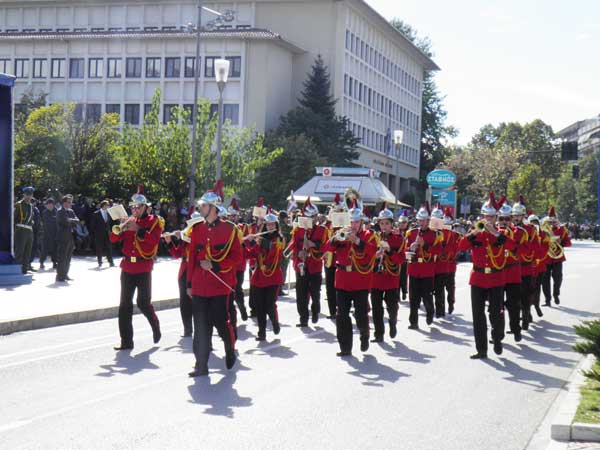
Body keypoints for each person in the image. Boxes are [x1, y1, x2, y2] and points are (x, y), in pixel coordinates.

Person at [186, 183, 243, 377]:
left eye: (203, 206)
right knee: (200, 326)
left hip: (219, 285)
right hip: (200, 286)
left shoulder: (230, 229)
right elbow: (192, 257)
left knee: (220, 322)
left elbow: (237, 258)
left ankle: (229, 347)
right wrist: (188, 284)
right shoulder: (196, 229)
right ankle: (201, 365)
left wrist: (216, 266)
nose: (199, 208)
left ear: (213, 208)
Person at [458, 192, 515, 359]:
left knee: (496, 313)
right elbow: (460, 246)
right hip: (478, 277)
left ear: (496, 218)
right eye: (486, 216)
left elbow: (513, 247)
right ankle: (481, 349)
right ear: (482, 216)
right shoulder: (475, 232)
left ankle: (497, 339)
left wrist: (496, 234)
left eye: (491, 217)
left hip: (496, 278)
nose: (488, 219)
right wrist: (474, 233)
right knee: (478, 315)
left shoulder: (502, 233)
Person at [110, 186, 164, 351]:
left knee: (143, 302)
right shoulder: (129, 221)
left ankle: (155, 325)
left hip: (143, 266)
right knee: (124, 304)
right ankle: (126, 341)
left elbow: (154, 241)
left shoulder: (154, 221)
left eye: (137, 207)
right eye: (132, 207)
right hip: (127, 266)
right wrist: (121, 227)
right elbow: (113, 239)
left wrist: (138, 230)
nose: (134, 209)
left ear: (145, 207)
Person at [323, 202, 377, 357]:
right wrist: (336, 239)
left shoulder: (369, 236)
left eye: (356, 222)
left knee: (360, 314)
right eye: (351, 222)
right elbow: (327, 248)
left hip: (360, 280)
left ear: (361, 223)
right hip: (342, 280)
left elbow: (372, 251)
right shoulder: (340, 233)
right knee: (342, 315)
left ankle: (364, 332)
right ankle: (345, 347)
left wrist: (357, 241)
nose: (353, 225)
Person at [244, 207, 284, 341]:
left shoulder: (279, 239)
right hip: (259, 277)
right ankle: (261, 332)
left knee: (270, 304)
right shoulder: (260, 240)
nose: (270, 226)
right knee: (259, 306)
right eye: (268, 224)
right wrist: (246, 242)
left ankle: (274, 321)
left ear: (276, 225)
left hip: (273, 276)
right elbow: (251, 254)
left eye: (272, 224)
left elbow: (274, 254)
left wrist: (262, 242)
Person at [164, 212, 203, 337]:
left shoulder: (203, 235)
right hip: (185, 271)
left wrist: (183, 236)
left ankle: (201, 330)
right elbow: (177, 254)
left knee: (198, 302)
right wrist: (169, 241)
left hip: (198, 271)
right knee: (184, 301)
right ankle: (187, 328)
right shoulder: (186, 236)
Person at [289, 197, 327, 327]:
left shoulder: (322, 230)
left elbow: (325, 247)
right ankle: (303, 319)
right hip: (301, 265)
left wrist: (313, 245)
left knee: (315, 293)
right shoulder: (298, 230)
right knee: (301, 294)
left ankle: (315, 312)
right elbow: (294, 245)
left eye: (312, 217)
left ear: (316, 218)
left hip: (315, 266)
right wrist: (298, 253)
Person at [405, 203, 443, 329]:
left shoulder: (435, 234)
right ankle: (413, 322)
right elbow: (405, 252)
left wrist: (425, 245)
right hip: (414, 268)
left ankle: (430, 312)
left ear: (429, 221)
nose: (422, 223)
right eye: (420, 220)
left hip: (427, 269)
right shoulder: (411, 233)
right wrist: (411, 248)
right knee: (413, 298)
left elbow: (438, 251)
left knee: (427, 296)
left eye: (425, 220)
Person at [371, 204, 405, 342]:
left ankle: (392, 321)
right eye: (382, 223)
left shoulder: (399, 239)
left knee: (392, 306)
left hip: (391, 277)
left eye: (386, 224)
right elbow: (366, 257)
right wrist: (376, 255)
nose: (384, 226)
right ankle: (379, 334)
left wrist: (390, 250)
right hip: (376, 277)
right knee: (376, 307)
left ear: (392, 225)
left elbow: (401, 259)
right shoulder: (374, 238)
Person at [542, 206, 571, 305]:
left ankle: (556, 294)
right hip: (546, 258)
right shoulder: (543, 231)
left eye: (554, 222)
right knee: (545, 280)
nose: (552, 224)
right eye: (550, 222)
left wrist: (561, 241)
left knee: (558, 278)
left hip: (558, 258)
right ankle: (547, 300)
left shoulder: (562, 230)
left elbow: (568, 243)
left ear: (557, 221)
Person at [56, 195, 80, 282]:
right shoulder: (60, 211)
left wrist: (70, 220)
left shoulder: (71, 211)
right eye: (69, 202)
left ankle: (65, 274)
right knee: (62, 258)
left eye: (71, 202)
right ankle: (60, 276)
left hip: (71, 237)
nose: (71, 204)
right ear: (64, 202)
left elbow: (77, 220)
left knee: (68, 258)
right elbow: (64, 222)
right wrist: (71, 221)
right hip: (63, 237)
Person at [14, 186, 36, 274]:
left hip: (29, 231)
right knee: (20, 251)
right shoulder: (18, 205)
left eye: (30, 195)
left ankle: (25, 270)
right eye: (27, 194)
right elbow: (13, 218)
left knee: (28, 251)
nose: (29, 196)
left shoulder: (31, 206)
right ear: (24, 195)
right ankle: (16, 270)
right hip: (21, 230)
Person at [92, 200, 115, 268]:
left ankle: (111, 262)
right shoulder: (96, 213)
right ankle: (100, 262)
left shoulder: (109, 213)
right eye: (107, 205)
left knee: (109, 248)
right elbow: (93, 225)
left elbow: (111, 223)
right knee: (99, 248)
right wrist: (95, 234)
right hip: (99, 234)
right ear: (103, 205)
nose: (108, 206)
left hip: (107, 233)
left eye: (108, 205)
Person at [40, 197, 58, 270]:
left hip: (55, 234)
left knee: (55, 250)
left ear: (54, 205)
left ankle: (54, 263)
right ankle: (41, 262)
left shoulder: (57, 211)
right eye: (48, 204)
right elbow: (47, 223)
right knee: (44, 250)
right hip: (46, 234)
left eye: (51, 204)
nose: (50, 206)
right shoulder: (45, 212)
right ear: (46, 205)